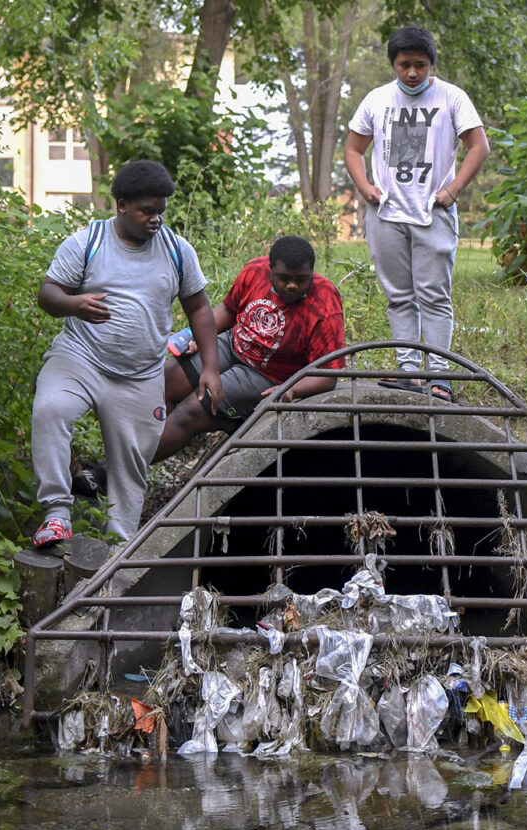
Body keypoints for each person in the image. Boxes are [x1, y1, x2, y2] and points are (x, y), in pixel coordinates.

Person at [30, 160, 221, 548]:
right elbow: (47, 295)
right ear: (120, 205)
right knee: (49, 409)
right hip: (80, 358)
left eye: (161, 211)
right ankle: (56, 514)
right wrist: (75, 304)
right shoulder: (88, 242)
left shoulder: (177, 250)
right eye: (146, 211)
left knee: (131, 463)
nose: (156, 219)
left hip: (140, 374)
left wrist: (211, 368)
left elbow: (199, 308)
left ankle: (119, 551)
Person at [345, 25, 489, 403]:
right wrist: (365, 187)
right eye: (404, 64)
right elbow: (353, 150)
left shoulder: (452, 98)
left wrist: (453, 190)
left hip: (433, 211)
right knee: (398, 295)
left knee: (434, 296)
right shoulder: (377, 100)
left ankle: (438, 375)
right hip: (386, 214)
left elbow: (479, 146)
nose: (412, 73)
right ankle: (407, 372)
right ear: (393, 63)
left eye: (420, 65)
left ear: (431, 64)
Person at [154, 235, 346, 460]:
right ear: (270, 269)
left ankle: (118, 474)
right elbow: (228, 311)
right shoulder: (255, 270)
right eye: (283, 278)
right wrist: (195, 336)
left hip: (267, 374)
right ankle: (146, 452)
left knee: (192, 410)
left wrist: (292, 389)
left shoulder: (325, 303)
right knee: (165, 379)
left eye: (301, 279)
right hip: (233, 344)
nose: (292, 286)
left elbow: (329, 374)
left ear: (311, 273)